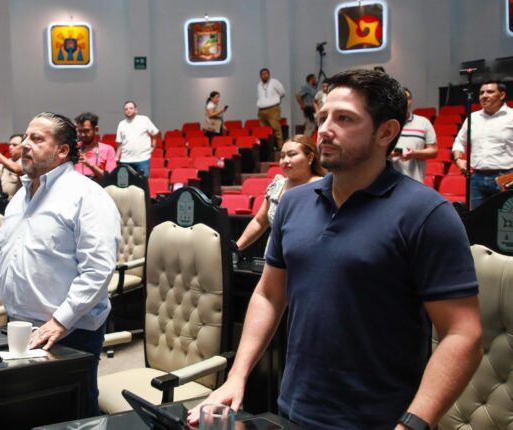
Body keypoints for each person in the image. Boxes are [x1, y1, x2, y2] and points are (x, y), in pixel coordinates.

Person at [189, 69, 482, 429]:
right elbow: (269, 294)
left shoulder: (427, 214)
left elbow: (463, 334)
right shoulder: (293, 203)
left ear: (386, 132)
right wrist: (237, 375)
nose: (325, 129)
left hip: (380, 420)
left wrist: (413, 424)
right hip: (294, 409)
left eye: (345, 119)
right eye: (323, 116)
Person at [0, 112, 121, 417]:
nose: (25, 144)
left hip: (69, 332)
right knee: (25, 411)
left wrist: (60, 321)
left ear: (62, 150)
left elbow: (98, 270)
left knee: (70, 416)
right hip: (18, 326)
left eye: (37, 139)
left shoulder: (87, 195)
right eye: (26, 137)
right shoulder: (20, 197)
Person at [235, 135, 324, 253]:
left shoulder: (323, 187)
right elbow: (259, 221)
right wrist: (236, 248)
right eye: (282, 156)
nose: (285, 160)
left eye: (292, 154)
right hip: (274, 256)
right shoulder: (278, 185)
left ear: (310, 157)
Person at [452, 80, 513, 209]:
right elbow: (459, 141)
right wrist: (458, 159)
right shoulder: (472, 118)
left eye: (490, 92)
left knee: (504, 219)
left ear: (502, 95)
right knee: (477, 218)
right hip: (476, 179)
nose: (484, 96)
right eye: (481, 93)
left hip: (506, 178)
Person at [391, 87, 437, 182]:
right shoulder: (386, 123)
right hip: (389, 182)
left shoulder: (424, 123)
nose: (405, 102)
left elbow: (433, 151)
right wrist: (389, 153)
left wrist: (414, 153)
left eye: (407, 98)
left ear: (411, 101)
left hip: (415, 181)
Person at [116, 101, 159, 177]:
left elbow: (155, 133)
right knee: (124, 184)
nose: (128, 110)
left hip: (142, 159)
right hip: (125, 160)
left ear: (136, 110)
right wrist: (116, 157)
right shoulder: (121, 124)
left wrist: (153, 144)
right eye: (126, 109)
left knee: (142, 183)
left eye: (131, 108)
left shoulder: (144, 120)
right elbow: (120, 143)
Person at [74, 112, 117, 181]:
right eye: (79, 131)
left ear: (96, 129)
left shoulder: (108, 150)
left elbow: (110, 178)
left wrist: (90, 165)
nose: (82, 135)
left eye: (86, 131)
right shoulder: (73, 148)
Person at [0, 134, 24, 198]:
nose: (10, 147)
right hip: (4, 199)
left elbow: (17, 169)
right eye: (10, 144)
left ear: (23, 147)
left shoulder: (25, 162)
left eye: (14, 145)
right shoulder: (7, 161)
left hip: (17, 200)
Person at [256, 68, 286, 149]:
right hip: (261, 111)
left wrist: (274, 100)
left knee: (276, 129)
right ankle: (269, 149)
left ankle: (280, 147)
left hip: (273, 109)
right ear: (260, 76)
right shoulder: (259, 85)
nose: (264, 75)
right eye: (262, 74)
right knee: (265, 131)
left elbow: (282, 93)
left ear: (269, 74)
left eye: (266, 74)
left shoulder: (274, 82)